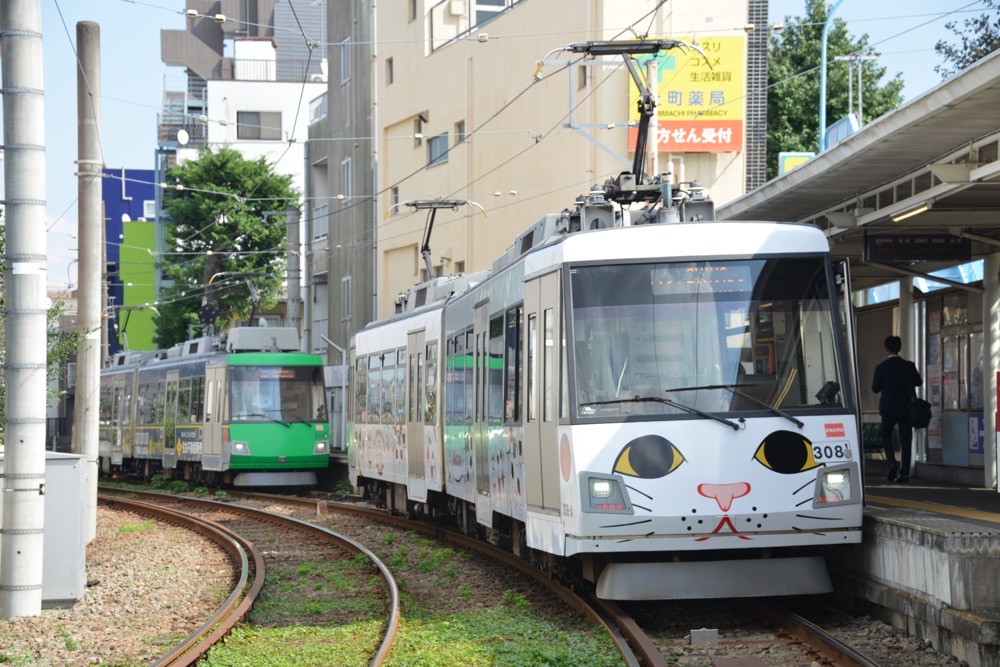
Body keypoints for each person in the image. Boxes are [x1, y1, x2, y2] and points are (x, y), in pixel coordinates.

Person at [871, 335, 923, 483]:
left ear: (886, 348)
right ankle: (904, 474)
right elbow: (918, 382)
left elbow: (875, 388)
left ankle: (892, 463)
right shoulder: (909, 366)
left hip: (888, 408)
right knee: (906, 441)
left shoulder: (881, 367)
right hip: (906, 408)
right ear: (900, 348)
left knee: (885, 435)